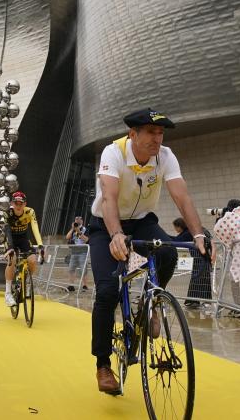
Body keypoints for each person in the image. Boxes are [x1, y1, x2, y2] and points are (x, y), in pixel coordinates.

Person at [88, 108, 206, 395]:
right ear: (133, 134)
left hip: (142, 221)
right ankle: (103, 364)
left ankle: (151, 303)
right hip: (106, 224)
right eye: (151, 133)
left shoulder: (165, 156)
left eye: (160, 133)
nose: (157, 139)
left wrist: (199, 235)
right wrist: (116, 234)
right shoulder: (113, 153)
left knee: (168, 252)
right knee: (107, 291)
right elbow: (109, 197)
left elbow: (182, 196)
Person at [2, 191, 42, 306]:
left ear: (25, 204)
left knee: (33, 260)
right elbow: (7, 231)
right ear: (12, 203)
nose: (18, 206)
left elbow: (35, 228)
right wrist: (10, 248)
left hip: (23, 238)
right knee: (12, 259)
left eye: (21, 203)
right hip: (10, 239)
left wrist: (40, 245)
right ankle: (8, 293)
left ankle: (26, 283)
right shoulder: (7, 213)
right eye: (16, 203)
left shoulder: (30, 211)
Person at [172, 218, 214, 309]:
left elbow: (177, 241)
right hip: (201, 258)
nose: (175, 229)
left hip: (201, 258)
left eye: (175, 227)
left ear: (179, 226)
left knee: (201, 280)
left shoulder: (189, 232)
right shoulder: (193, 230)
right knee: (199, 280)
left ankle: (199, 301)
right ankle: (195, 301)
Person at [65, 216, 89, 291]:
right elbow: (67, 237)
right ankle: (71, 285)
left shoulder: (85, 229)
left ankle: (85, 285)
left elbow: (86, 239)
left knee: (83, 269)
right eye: (76, 219)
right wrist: (73, 229)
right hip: (74, 252)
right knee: (71, 269)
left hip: (83, 252)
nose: (77, 221)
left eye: (79, 219)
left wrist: (78, 231)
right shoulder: (73, 230)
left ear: (82, 221)